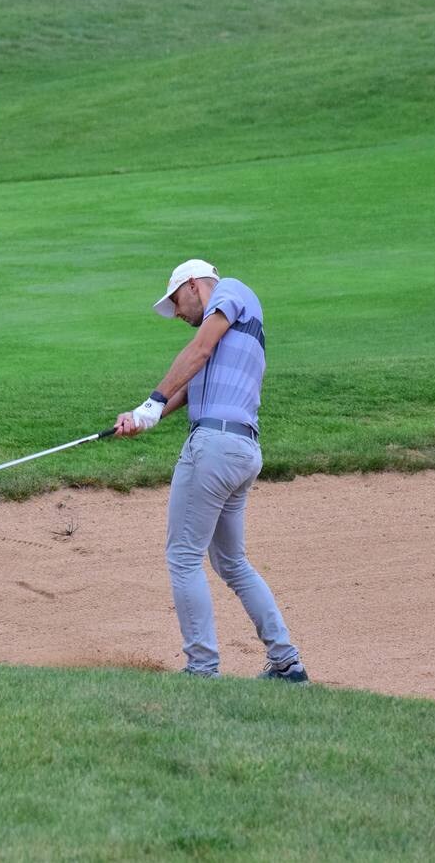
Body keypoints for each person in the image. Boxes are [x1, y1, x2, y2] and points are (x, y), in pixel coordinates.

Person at [113, 259, 307, 682]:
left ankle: (202, 668)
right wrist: (146, 416)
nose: (178, 313)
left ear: (195, 285)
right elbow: (190, 384)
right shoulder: (229, 330)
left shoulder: (230, 291)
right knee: (231, 562)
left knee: (183, 556)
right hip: (241, 450)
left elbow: (197, 351)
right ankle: (286, 662)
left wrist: (152, 399)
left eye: (178, 301)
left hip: (214, 449)